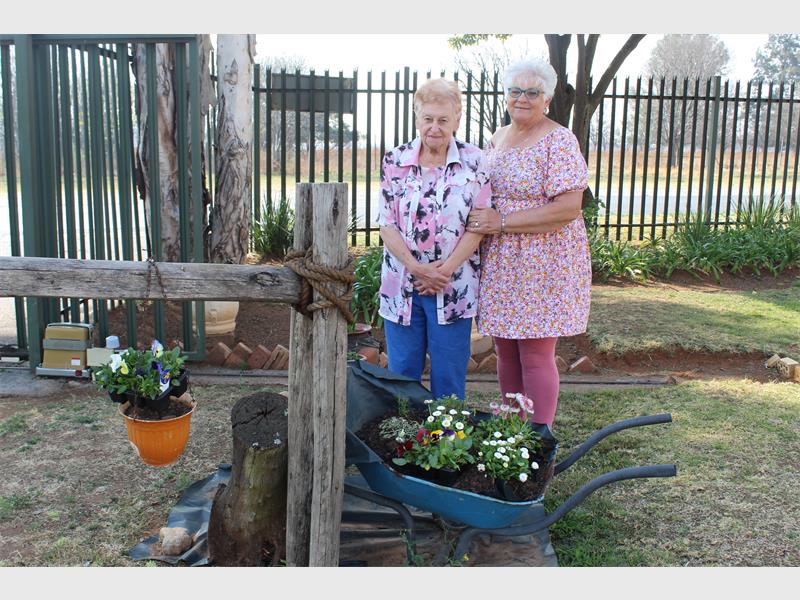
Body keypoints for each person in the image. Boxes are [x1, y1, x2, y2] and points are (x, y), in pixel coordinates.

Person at [466, 58, 590, 428]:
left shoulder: (559, 140)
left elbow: (569, 208)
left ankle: (538, 439)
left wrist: (502, 222)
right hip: (503, 259)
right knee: (505, 351)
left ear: (547, 99)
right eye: (515, 90)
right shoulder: (497, 137)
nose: (522, 98)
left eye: (532, 92)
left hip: (543, 258)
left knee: (535, 355)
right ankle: (511, 431)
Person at [378, 78, 491, 401]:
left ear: (457, 119)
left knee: (449, 382)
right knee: (401, 379)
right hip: (402, 285)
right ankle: (403, 445)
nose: (435, 128)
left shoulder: (475, 161)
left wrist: (443, 272)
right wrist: (417, 268)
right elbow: (386, 224)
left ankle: (447, 447)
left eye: (443, 120)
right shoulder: (394, 161)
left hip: (453, 287)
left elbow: (479, 224)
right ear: (417, 118)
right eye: (428, 119)